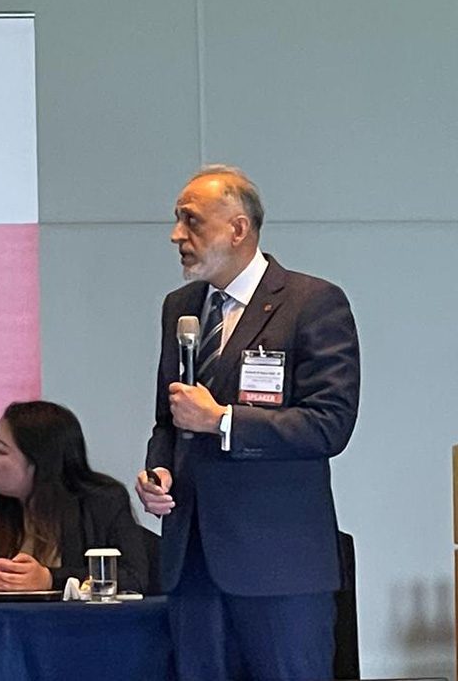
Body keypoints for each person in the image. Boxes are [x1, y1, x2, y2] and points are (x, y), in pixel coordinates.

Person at [134, 165, 360, 681]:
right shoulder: (180, 309)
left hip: (279, 569)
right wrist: (157, 473)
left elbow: (330, 423)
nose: (176, 235)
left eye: (191, 220)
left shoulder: (311, 303)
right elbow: (168, 421)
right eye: (176, 220)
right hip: (192, 566)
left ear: (238, 229)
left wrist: (223, 421)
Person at [0, 400, 149, 594]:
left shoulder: (103, 501)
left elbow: (134, 578)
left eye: (2, 451)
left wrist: (49, 579)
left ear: (40, 463)